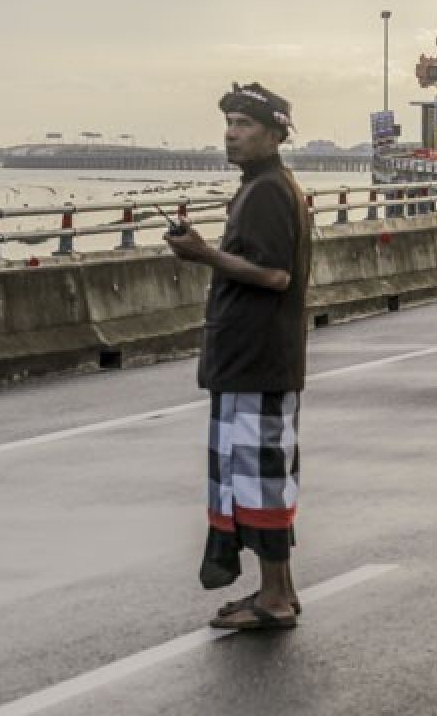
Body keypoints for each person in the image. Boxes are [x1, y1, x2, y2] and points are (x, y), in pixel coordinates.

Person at [164, 82, 312, 630]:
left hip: (259, 358)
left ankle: (273, 599)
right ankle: (280, 590)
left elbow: (276, 275)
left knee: (259, 477)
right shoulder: (262, 186)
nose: (231, 133)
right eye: (228, 123)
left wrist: (205, 254)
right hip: (251, 356)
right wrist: (212, 253)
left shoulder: (270, 189)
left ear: (275, 134)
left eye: (245, 124)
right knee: (254, 474)